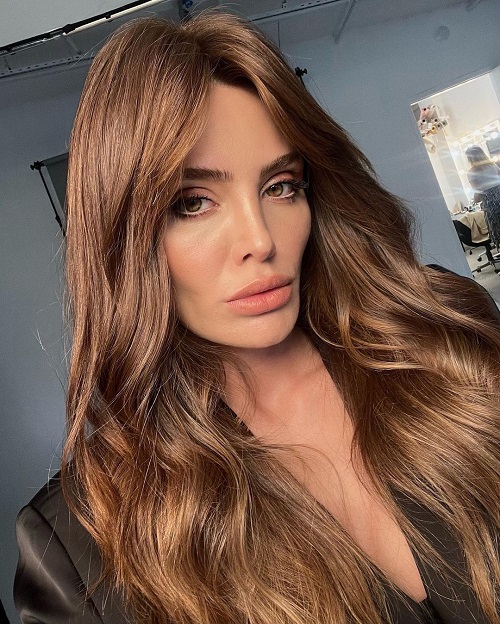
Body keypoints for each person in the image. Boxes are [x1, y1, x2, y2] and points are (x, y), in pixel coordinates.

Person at [14, 12, 499, 624]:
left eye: (281, 186)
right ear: (123, 237)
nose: (260, 240)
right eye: (193, 202)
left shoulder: (445, 334)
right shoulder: (79, 546)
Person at [466, 144, 500, 246]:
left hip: (490, 203)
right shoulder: (493, 166)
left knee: (497, 228)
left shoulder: (471, 173)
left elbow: (477, 192)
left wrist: (475, 200)